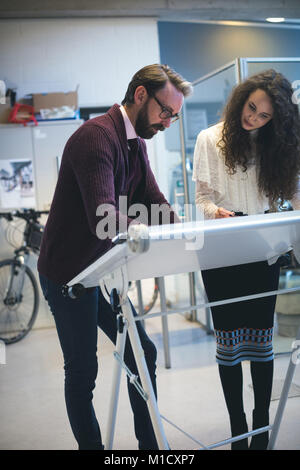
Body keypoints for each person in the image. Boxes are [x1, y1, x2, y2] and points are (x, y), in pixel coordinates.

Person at [38, 64, 192, 450]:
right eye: (165, 112)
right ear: (140, 95)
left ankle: (149, 449)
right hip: (68, 276)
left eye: (174, 116)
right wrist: (144, 231)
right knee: (83, 370)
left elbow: (151, 200)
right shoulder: (96, 138)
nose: (168, 123)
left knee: (144, 354)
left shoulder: (135, 143)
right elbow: (104, 219)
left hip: (101, 269)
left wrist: (182, 233)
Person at [192, 69, 300, 450]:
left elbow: (294, 195)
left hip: (261, 253)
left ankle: (261, 424)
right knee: (230, 347)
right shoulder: (210, 139)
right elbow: (202, 200)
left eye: (264, 115)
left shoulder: (277, 148)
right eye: (251, 107)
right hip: (220, 254)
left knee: (261, 343)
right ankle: (238, 426)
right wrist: (216, 213)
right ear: (241, 99)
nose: (253, 118)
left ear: (276, 120)